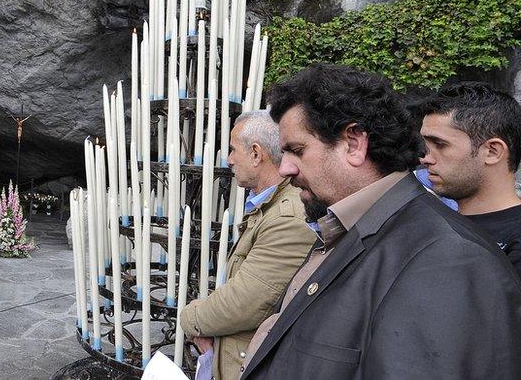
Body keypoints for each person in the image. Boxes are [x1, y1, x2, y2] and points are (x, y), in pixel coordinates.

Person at [240, 64, 521, 379]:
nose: (285, 169)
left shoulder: (448, 260)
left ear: (354, 143)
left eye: (297, 150)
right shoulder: (345, 229)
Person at [179, 111, 315, 380]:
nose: (228, 160)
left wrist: (189, 318)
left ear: (256, 153)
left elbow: (245, 302)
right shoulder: (271, 205)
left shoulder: (288, 217)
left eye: (232, 150)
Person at [417, 82, 521, 277]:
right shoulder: (429, 222)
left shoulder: (515, 242)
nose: (425, 158)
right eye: (426, 144)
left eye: (440, 144)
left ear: (492, 152)